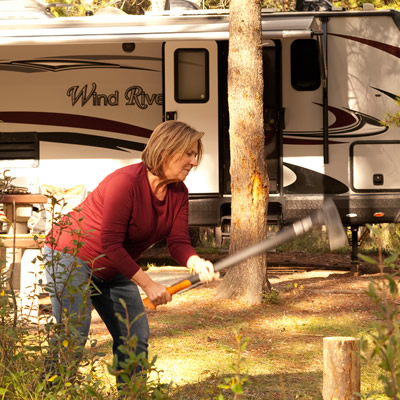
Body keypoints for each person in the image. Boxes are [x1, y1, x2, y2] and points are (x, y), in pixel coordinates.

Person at [43, 120, 219, 385]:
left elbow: (178, 241)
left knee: (134, 336)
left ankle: (132, 393)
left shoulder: (179, 192)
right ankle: (50, 391)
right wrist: (148, 284)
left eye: (195, 155)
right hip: (70, 254)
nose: (194, 162)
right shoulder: (124, 183)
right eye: (188, 154)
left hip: (113, 265)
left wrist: (195, 261)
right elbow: (111, 243)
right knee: (73, 333)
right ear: (165, 151)